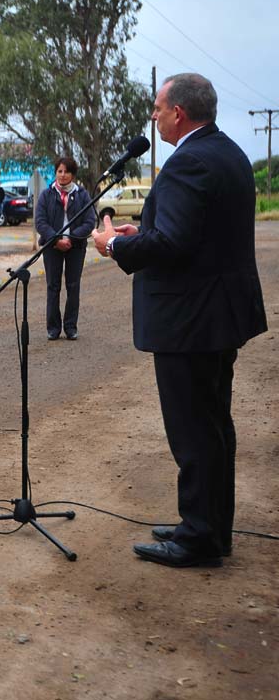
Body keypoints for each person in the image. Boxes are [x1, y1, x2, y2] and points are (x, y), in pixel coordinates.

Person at [93, 72, 267, 569]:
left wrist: (116, 244)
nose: (153, 115)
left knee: (193, 430)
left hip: (192, 320)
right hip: (216, 316)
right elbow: (190, 230)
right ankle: (210, 526)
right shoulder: (226, 152)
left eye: (157, 107)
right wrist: (143, 226)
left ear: (180, 114)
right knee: (213, 426)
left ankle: (199, 537)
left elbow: (172, 245)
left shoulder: (188, 160)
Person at [35, 157, 96, 341]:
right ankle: (53, 328)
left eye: (66, 171)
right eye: (59, 171)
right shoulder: (46, 195)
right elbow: (40, 222)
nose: (62, 175)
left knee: (73, 286)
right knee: (53, 286)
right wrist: (55, 239)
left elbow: (89, 221)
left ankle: (71, 327)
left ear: (72, 174)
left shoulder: (82, 195)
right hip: (52, 246)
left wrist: (71, 237)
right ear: (55, 173)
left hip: (75, 246)